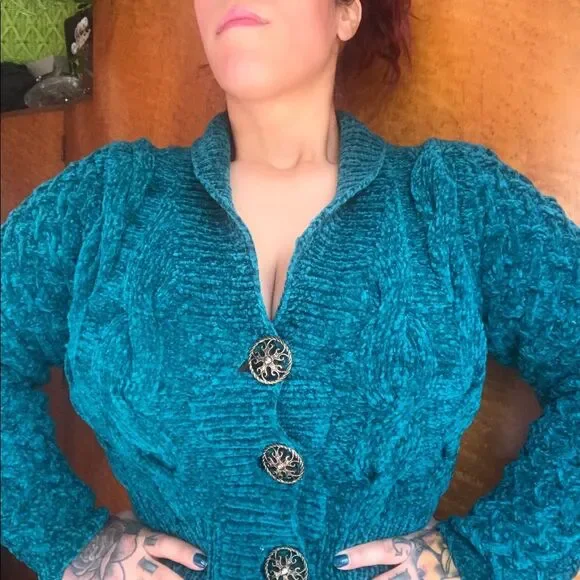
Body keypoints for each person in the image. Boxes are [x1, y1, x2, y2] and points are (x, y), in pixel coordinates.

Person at [1, 0, 578, 579]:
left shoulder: (457, 204)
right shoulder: (106, 202)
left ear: (347, 13)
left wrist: (485, 557)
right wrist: (69, 539)